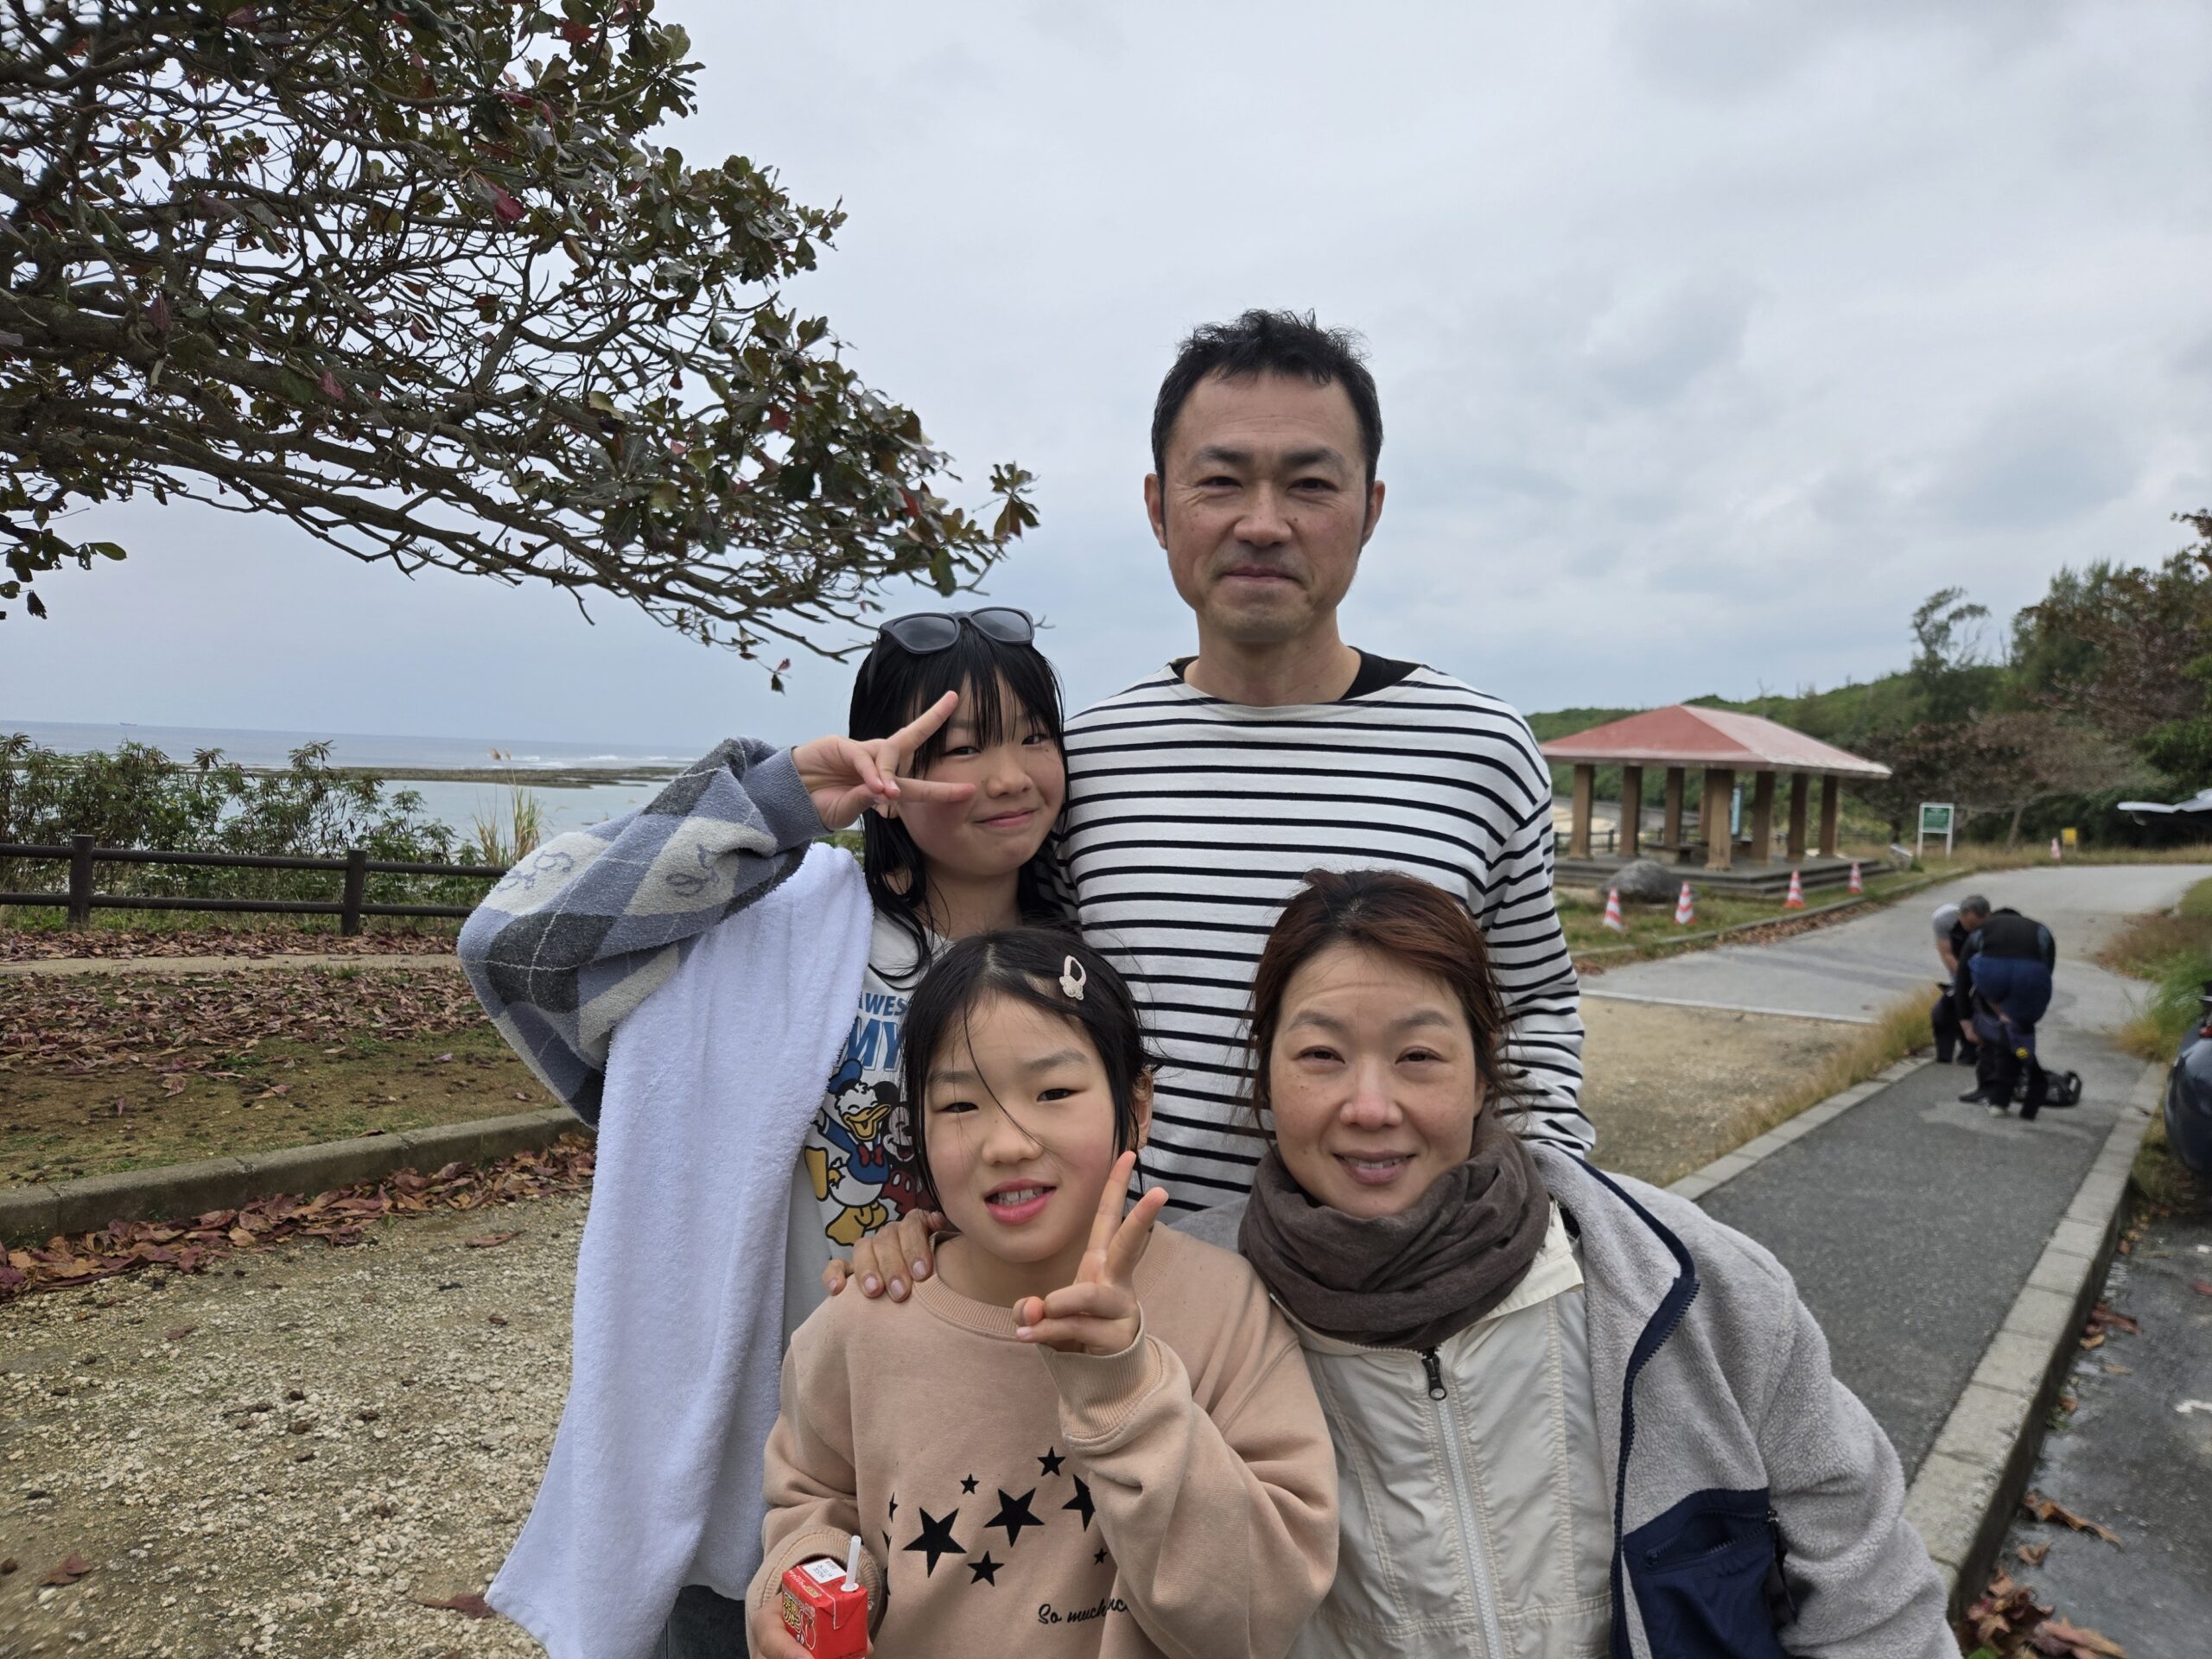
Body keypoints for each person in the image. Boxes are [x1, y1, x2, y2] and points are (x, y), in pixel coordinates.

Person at [455, 609, 1068, 1659]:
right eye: (957, 747)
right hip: (757, 1458)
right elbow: (514, 942)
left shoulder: (1077, 964)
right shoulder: (785, 928)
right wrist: (783, 798)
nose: (1009, 776)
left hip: (983, 1464)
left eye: (1034, 736)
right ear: (890, 762)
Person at [1182, 869, 1954, 1657]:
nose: (1372, 1106)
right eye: (1321, 1054)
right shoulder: (1178, 1322)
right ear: (1266, 1075)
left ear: (1485, 1072)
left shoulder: (1690, 1285)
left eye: (1419, 1055)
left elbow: (1873, 1601)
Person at [1054, 308, 1592, 1221]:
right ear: (1157, 508)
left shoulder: (1479, 750)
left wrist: (1558, 1212)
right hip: (1152, 1299)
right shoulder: (1086, 762)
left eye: (1309, 484)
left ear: (1370, 508)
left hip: (1412, 1303)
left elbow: (1531, 1007)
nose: (1263, 524)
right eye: (1219, 481)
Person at [748, 930, 1337, 1658]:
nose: (1009, 1144)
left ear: (1138, 1101)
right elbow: (813, 1499)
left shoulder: (1227, 1308)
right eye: (961, 1106)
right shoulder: (860, 1323)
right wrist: (805, 1578)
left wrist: (1126, 1389)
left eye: (1054, 1092)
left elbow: (1257, 1612)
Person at [1955, 899, 2059, 1117]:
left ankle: (1992, 1092)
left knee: (1996, 1033)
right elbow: (2046, 971)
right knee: (2015, 1035)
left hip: (1992, 976)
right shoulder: (2040, 930)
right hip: (2030, 977)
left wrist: (1966, 1024)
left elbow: (1962, 980)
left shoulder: (1984, 930)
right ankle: (2001, 1098)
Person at [1928, 896, 1982, 1066]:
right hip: (1958, 956)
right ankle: (1948, 1053)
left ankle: (1974, 1049)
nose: (1972, 928)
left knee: (1979, 1002)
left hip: (1981, 961)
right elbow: (1947, 954)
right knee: (1955, 1002)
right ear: (1961, 916)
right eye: (1970, 924)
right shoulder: (1943, 919)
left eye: (1976, 926)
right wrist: (1964, 980)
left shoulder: (1990, 925)